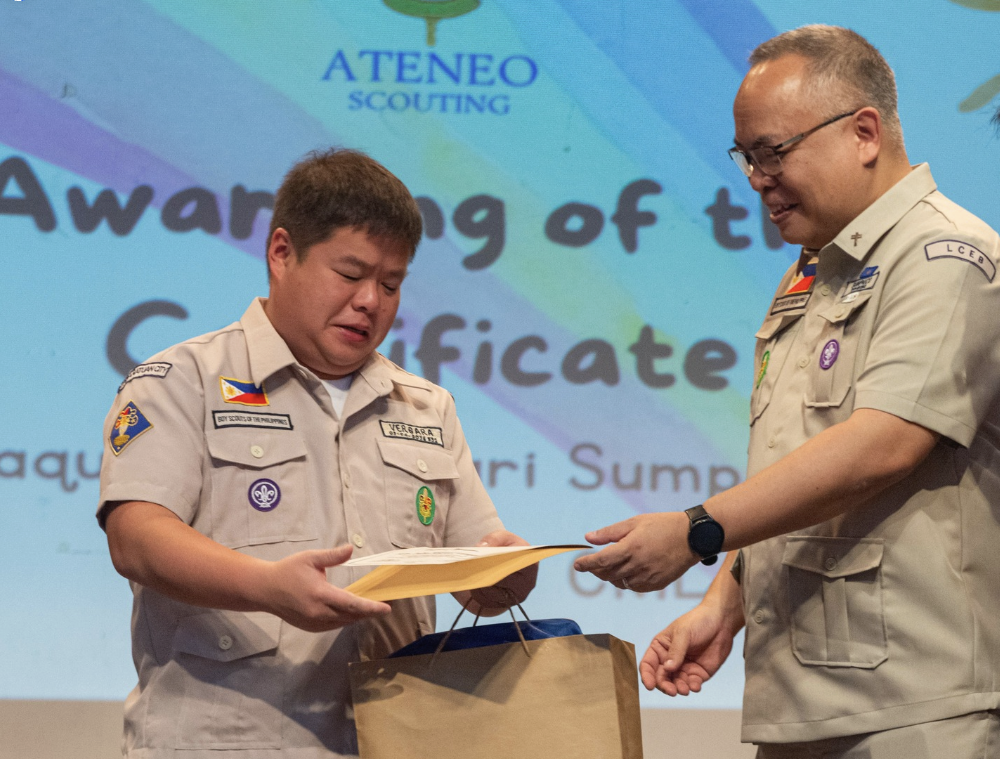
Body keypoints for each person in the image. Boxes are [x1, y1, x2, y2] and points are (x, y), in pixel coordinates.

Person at [575, 25, 1000, 758]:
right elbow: (803, 459)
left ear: (864, 131)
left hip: (911, 707)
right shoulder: (812, 273)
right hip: (803, 694)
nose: (756, 178)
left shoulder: (944, 256)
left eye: (772, 152)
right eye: (746, 157)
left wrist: (698, 529)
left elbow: (883, 442)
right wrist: (725, 603)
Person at [98, 148, 535, 758]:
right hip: (225, 743)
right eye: (350, 274)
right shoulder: (181, 379)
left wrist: (505, 576)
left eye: (391, 283)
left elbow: (475, 566)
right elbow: (136, 538)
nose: (370, 301)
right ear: (282, 253)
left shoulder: (424, 405)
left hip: (395, 742)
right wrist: (266, 586)